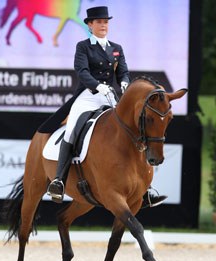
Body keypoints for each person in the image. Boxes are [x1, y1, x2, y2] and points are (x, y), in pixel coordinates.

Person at [47, 6, 167, 208]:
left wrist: (125, 84)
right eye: (99, 22)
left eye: (106, 22)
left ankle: (144, 188)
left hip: (110, 97)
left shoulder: (116, 47)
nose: (103, 25)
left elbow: (123, 71)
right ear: (90, 25)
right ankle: (58, 180)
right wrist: (97, 85)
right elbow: (82, 71)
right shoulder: (83, 46)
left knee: (134, 130)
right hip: (87, 96)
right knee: (72, 130)